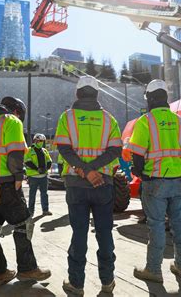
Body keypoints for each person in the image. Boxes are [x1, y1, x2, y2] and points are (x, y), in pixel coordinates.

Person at [0, 98, 51, 287]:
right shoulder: (11, 121)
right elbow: (15, 154)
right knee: (23, 223)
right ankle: (27, 268)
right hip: (5, 183)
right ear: (15, 111)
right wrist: (16, 178)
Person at [55, 76, 122, 295]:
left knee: (79, 233)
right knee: (104, 233)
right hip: (102, 183)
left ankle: (76, 283)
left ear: (77, 93)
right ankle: (107, 281)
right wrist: (93, 170)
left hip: (76, 184)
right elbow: (115, 151)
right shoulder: (109, 120)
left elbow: (64, 150)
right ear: (96, 94)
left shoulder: (67, 118)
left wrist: (84, 170)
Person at [126, 80, 181, 282]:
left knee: (156, 225)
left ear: (151, 98)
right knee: (179, 222)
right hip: (177, 180)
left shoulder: (145, 122)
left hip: (155, 180)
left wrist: (140, 172)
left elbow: (136, 154)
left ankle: (154, 270)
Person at [25, 133, 52, 216]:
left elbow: (49, 161)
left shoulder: (44, 150)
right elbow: (27, 161)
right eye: (40, 141)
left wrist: (46, 168)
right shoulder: (29, 150)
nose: (41, 142)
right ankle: (30, 211)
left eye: (42, 141)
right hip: (33, 177)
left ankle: (45, 210)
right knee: (32, 194)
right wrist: (37, 169)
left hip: (43, 176)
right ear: (35, 141)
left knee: (44, 194)